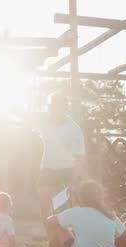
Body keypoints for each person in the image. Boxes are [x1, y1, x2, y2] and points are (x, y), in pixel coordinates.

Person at [38, 181, 126, 247]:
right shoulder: (111, 216)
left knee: (59, 229)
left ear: (81, 197)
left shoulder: (77, 212)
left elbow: (49, 221)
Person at [38, 93, 86, 225]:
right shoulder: (43, 122)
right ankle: (51, 239)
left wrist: (73, 180)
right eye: (53, 106)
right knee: (45, 206)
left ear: (66, 108)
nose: (55, 110)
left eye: (59, 106)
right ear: (50, 107)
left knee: (62, 206)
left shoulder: (74, 128)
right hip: (47, 169)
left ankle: (68, 237)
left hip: (66, 171)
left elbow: (80, 157)